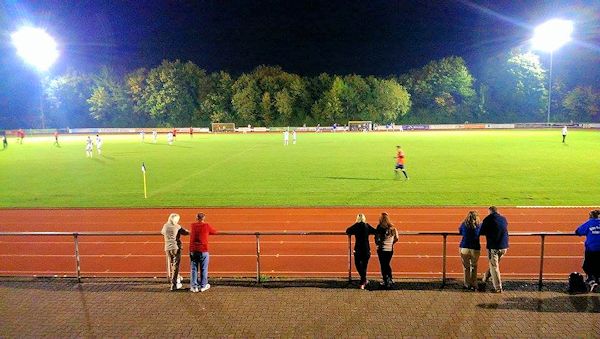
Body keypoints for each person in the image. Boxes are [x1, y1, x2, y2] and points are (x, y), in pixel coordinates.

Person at [479, 206, 509, 293]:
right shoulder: (503, 218)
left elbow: (481, 231)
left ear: (490, 212)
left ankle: (498, 288)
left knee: (494, 266)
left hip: (494, 246)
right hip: (504, 246)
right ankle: (485, 278)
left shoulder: (488, 219)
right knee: (493, 264)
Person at [346, 213, 377, 289]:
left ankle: (362, 281)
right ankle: (364, 280)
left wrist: (354, 232)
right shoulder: (367, 226)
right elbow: (375, 231)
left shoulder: (356, 226)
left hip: (358, 249)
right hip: (366, 249)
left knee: (358, 264)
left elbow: (348, 230)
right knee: (364, 266)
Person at [189, 212, 218, 292]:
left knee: (193, 269)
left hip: (193, 249)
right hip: (203, 249)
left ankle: (194, 286)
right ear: (203, 218)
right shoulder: (206, 225)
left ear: (196, 218)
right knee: (204, 268)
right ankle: (203, 285)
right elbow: (214, 231)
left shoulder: (193, 225)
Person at [161, 213, 189, 291]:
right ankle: (174, 284)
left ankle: (178, 278)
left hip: (167, 248)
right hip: (176, 248)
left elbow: (162, 232)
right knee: (175, 266)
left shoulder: (165, 225)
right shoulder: (177, 226)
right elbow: (186, 233)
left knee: (172, 264)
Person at [575, 209, 600, 292]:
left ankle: (592, 281)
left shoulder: (589, 223)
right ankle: (596, 279)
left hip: (591, 248)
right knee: (597, 264)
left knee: (586, 266)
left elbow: (578, 231)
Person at [375, 212, 399, 289]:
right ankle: (390, 279)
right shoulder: (392, 227)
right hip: (390, 249)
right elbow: (397, 238)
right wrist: (391, 243)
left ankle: (386, 280)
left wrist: (378, 244)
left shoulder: (379, 227)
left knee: (383, 265)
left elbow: (377, 239)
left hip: (382, 249)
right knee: (387, 264)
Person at [459, 211, 481, 291]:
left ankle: (466, 284)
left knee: (466, 267)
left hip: (464, 247)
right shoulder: (479, 225)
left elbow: (460, 231)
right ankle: (474, 284)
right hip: (475, 248)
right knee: (474, 266)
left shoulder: (464, 224)